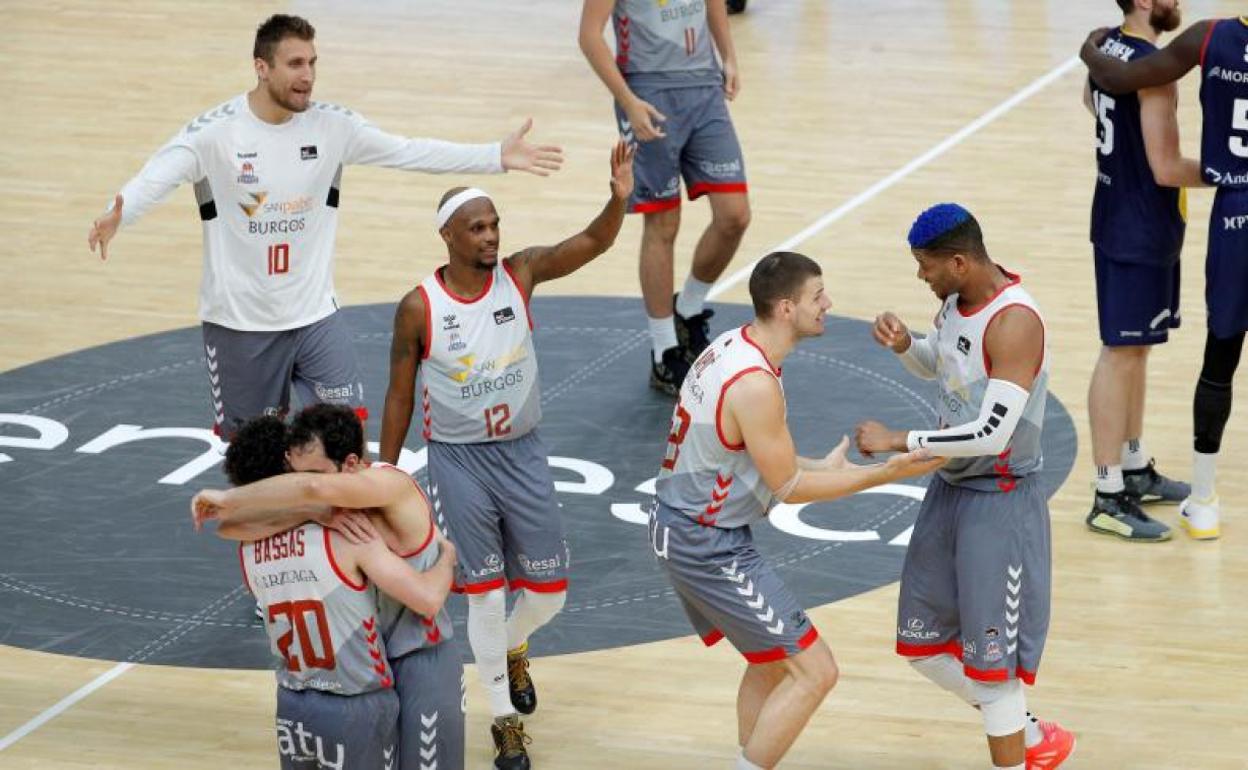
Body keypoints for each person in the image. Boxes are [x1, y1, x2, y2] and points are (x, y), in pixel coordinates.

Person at [88, 13, 563, 439]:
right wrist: (120, 212)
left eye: (313, 63)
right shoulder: (215, 133)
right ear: (261, 67)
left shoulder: (333, 127)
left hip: (316, 316)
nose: (308, 76)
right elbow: (161, 172)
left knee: (345, 441)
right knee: (256, 458)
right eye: (295, 64)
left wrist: (494, 156)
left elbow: (409, 150)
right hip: (240, 324)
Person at [379, 141, 635, 769]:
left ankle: (514, 645)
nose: (491, 235)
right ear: (448, 235)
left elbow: (593, 242)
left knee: (549, 594)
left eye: (495, 224)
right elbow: (400, 392)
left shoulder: (520, 274)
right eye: (477, 227)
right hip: (458, 461)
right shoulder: (419, 307)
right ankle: (504, 722)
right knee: (485, 596)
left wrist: (618, 199)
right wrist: (387, 472)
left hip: (522, 453)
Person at [650, 250, 946, 770]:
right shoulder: (755, 383)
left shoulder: (733, 347)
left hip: (688, 526)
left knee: (770, 661)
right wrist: (886, 473)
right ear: (786, 308)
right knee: (816, 671)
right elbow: (788, 487)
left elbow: (752, 453)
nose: (828, 303)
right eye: (817, 296)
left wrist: (824, 466)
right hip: (704, 543)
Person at [855, 204, 1074, 770]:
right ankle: (1030, 733)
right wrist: (907, 346)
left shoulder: (1015, 322)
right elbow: (943, 365)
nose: (920, 275)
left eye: (925, 265)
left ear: (958, 262)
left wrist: (900, 440)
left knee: (993, 667)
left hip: (1000, 502)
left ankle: (1021, 742)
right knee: (922, 644)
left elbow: (992, 434)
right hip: (950, 487)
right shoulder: (954, 302)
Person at [191, 412, 456, 770]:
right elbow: (293, 503)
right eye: (295, 474)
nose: (300, 483)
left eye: (311, 474)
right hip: (366, 676)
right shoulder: (335, 522)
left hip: (414, 657)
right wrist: (313, 513)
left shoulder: (385, 486)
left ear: (350, 464)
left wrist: (230, 499)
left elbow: (246, 519)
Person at [1080, 14, 1248, 541]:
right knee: (1120, 352)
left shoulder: (1111, 49)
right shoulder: (1155, 71)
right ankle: (1108, 493)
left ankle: (1132, 466)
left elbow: (1092, 100)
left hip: (1118, 211)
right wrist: (1229, 175)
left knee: (1136, 350)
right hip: (1141, 224)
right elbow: (1167, 168)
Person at [579, 0, 750, 394]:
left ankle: (687, 310)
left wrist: (729, 57)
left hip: (704, 86)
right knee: (663, 222)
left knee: (735, 216)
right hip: (648, 90)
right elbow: (589, 36)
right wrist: (627, 100)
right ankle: (663, 350)